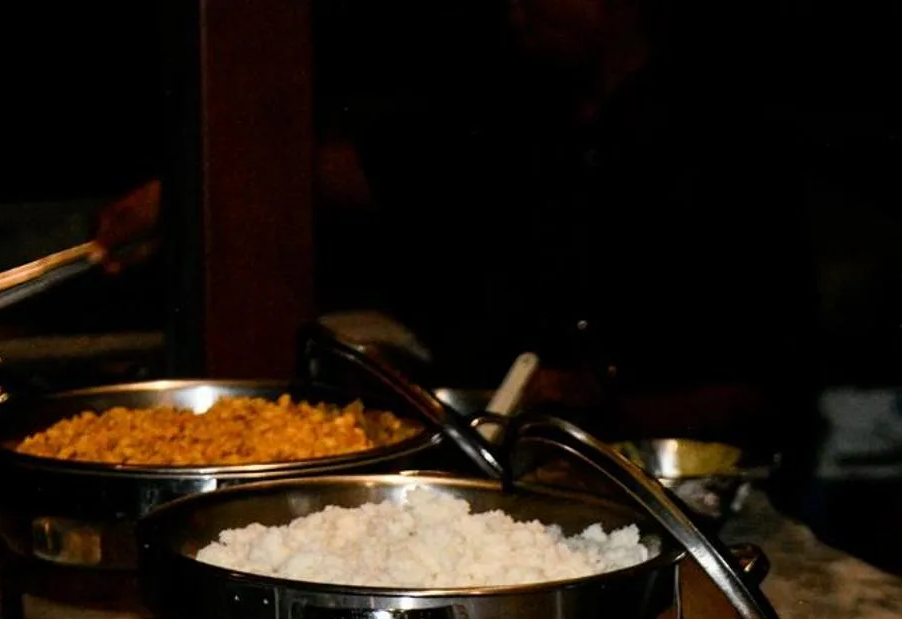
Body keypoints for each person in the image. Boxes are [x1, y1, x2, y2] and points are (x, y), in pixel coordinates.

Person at [317, 0, 819, 461]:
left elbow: (767, 380)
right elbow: (370, 175)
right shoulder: (509, 113)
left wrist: (601, 401)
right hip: (518, 465)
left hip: (690, 471)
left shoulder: (726, 138)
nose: (519, 15)